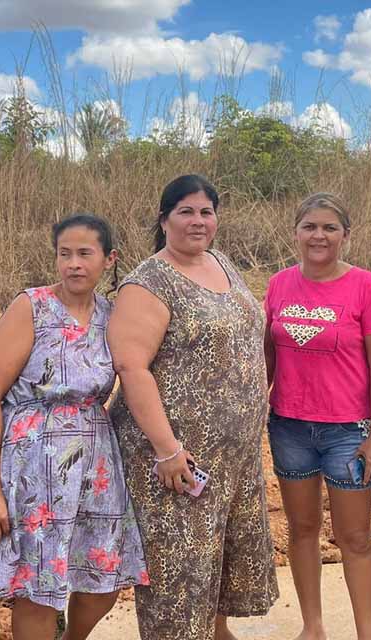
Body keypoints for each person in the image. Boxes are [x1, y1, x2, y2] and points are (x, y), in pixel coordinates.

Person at [108, 174, 279, 640]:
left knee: (217, 558)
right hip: (178, 457)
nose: (198, 221)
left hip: (232, 456)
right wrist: (167, 449)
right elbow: (132, 368)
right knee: (179, 570)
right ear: (164, 220)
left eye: (206, 212)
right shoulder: (149, 283)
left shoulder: (221, 262)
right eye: (186, 211)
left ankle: (218, 633)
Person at [0, 213, 147, 639]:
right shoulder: (31, 307)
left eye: (85, 254)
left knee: (103, 579)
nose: (74, 264)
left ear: (109, 259)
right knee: (37, 587)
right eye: (64, 254)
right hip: (32, 463)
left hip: (96, 464)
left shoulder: (112, 315)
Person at [264, 193, 371, 640]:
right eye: (310, 227)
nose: (318, 236)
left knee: (354, 537)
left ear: (345, 235)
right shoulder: (278, 284)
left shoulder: (366, 287)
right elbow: (268, 353)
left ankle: (366, 635)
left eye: (329, 228)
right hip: (290, 427)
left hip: (348, 431)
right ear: (296, 233)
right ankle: (313, 626)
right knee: (302, 530)